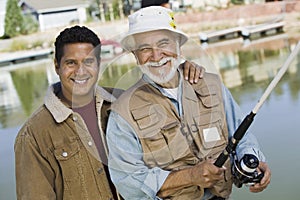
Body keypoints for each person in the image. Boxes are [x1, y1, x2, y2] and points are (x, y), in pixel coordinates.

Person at [14, 25, 204, 200]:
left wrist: (182, 71)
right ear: (57, 66)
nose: (81, 71)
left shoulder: (125, 102)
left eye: (88, 61)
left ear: (98, 63)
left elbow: (166, 91)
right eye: (71, 63)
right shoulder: (33, 135)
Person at [106, 6, 271, 200]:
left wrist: (252, 158)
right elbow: (128, 183)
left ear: (178, 47)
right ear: (135, 56)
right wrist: (190, 177)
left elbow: (241, 134)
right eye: (145, 49)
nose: (156, 55)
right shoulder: (122, 112)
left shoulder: (212, 84)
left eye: (163, 43)